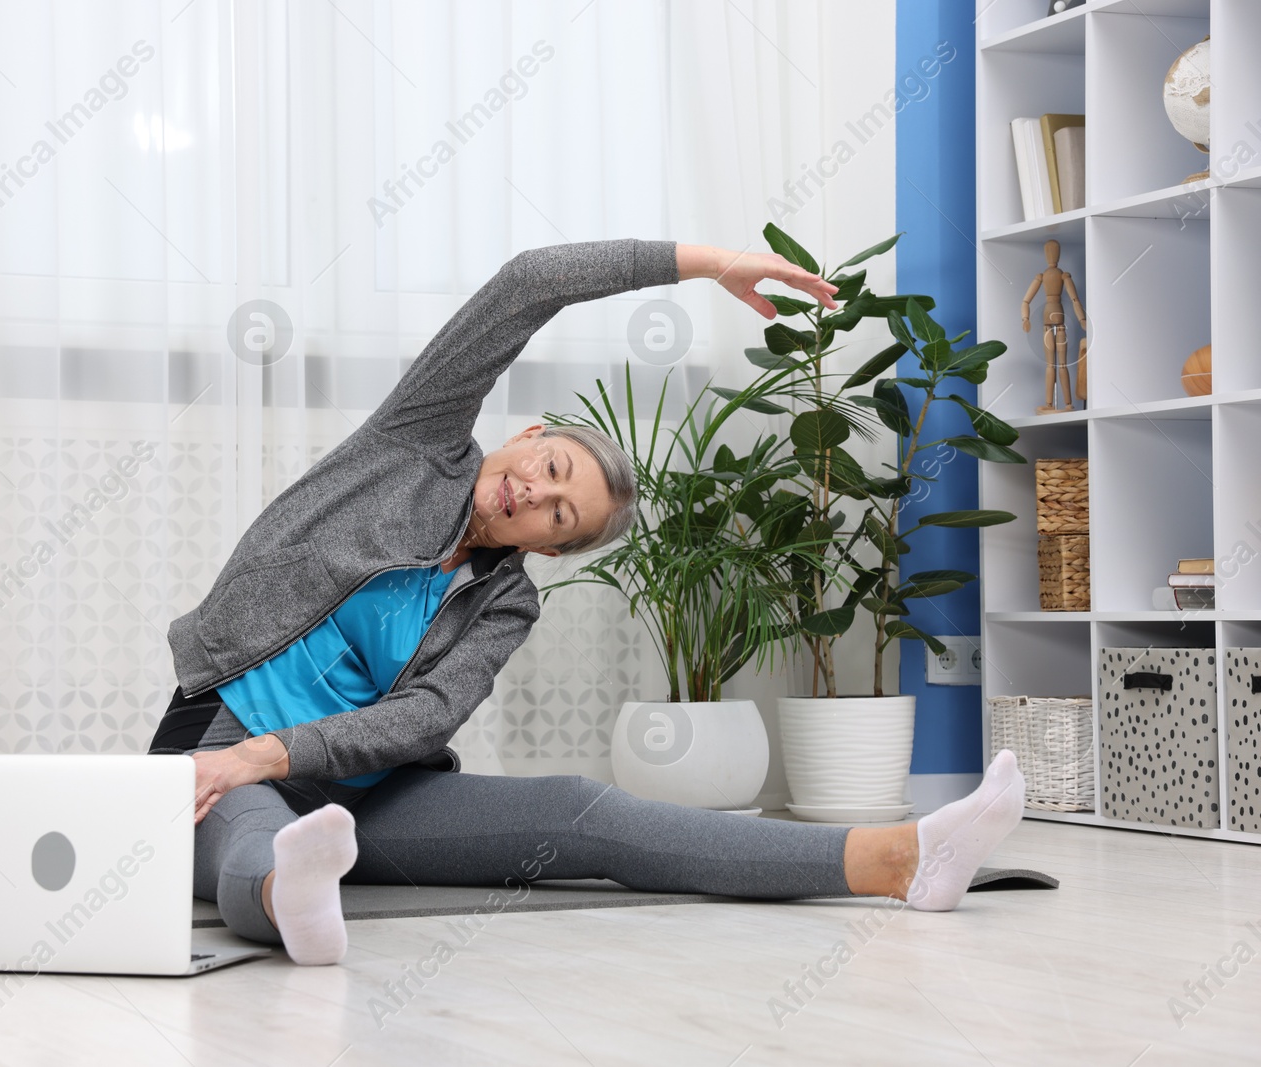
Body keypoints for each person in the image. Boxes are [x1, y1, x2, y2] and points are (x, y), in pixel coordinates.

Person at [149, 239, 1026, 965]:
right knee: (244, 836)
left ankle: (902, 857)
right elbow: (528, 284)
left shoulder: (504, 605)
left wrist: (286, 752)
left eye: (559, 515)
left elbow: (422, 719)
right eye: (552, 468)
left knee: (582, 808)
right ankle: (290, 896)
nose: (535, 495)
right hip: (220, 742)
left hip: (364, 796)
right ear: (531, 437)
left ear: (550, 548)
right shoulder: (409, 445)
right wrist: (708, 266)